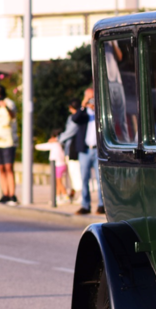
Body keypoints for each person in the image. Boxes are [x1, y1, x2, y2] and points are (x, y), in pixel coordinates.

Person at [71, 87, 104, 215]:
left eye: (92, 97)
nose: (90, 100)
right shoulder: (83, 113)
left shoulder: (100, 112)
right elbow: (75, 119)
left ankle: (101, 205)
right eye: (88, 97)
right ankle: (85, 205)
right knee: (84, 178)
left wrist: (95, 107)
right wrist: (83, 105)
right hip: (84, 150)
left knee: (100, 178)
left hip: (98, 150)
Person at [36, 130, 69, 204]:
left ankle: (65, 196)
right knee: (58, 183)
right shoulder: (60, 144)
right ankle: (57, 197)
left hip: (58, 165)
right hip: (62, 165)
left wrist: (34, 146)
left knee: (58, 183)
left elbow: (43, 146)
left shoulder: (54, 144)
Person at [60, 99, 81, 202]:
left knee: (75, 173)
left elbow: (70, 131)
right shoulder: (80, 116)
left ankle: (80, 195)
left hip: (73, 149)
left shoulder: (74, 118)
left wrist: (59, 139)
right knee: (72, 174)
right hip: (73, 148)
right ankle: (73, 195)